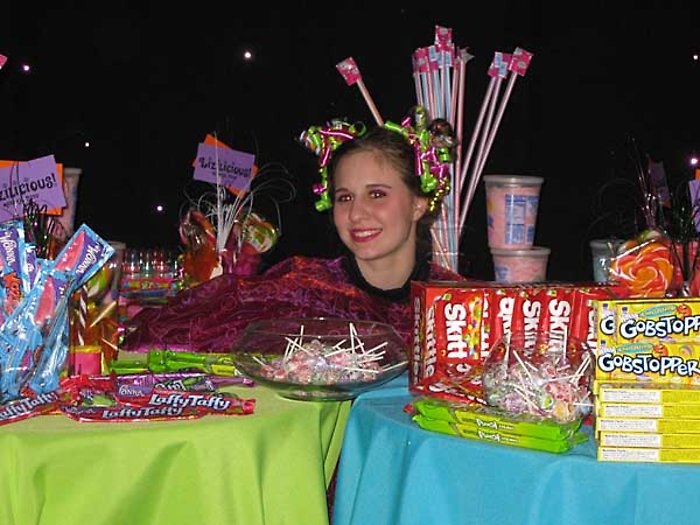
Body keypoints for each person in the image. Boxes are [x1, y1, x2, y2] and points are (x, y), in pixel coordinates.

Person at [121, 112, 467, 354]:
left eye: (377, 194)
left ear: (419, 203)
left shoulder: (459, 307)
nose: (357, 214)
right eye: (344, 197)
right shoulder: (302, 290)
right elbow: (170, 335)